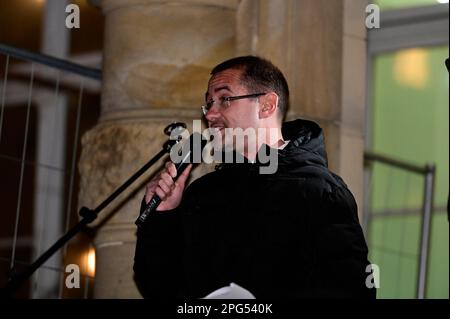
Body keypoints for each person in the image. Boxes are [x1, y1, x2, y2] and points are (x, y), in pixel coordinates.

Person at [133, 56, 376, 299]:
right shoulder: (203, 194)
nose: (211, 114)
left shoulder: (319, 191)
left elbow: (351, 290)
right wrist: (162, 218)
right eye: (208, 104)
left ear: (267, 105)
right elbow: (160, 287)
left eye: (224, 99)